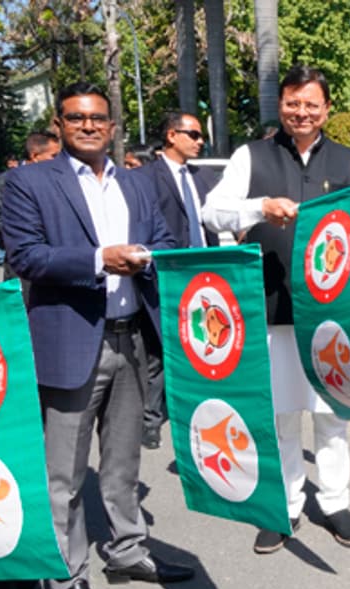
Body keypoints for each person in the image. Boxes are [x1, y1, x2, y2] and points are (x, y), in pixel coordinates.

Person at [0, 82, 194, 589]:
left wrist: (148, 260)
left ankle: (129, 550)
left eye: (98, 118)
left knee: (124, 459)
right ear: (59, 124)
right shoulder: (29, 182)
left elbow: (164, 243)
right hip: (69, 339)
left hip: (132, 336)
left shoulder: (134, 183)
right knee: (62, 470)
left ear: (112, 126)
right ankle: (66, 577)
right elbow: (27, 256)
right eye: (76, 118)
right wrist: (98, 259)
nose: (88, 126)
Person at [201, 65, 350, 554]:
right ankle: (286, 507)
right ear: (281, 106)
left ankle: (334, 502)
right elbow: (211, 211)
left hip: (334, 314)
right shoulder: (252, 157)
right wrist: (258, 208)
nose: (302, 112)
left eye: (311, 103)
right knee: (284, 416)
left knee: (333, 415)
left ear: (326, 108)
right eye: (293, 103)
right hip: (271, 308)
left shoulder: (349, 162)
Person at [136, 112, 220, 450]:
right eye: (194, 135)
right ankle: (151, 421)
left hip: (205, 275)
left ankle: (198, 414)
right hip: (165, 274)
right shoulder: (145, 178)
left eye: (201, 137)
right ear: (172, 135)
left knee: (202, 345)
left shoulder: (205, 177)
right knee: (159, 349)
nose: (200, 142)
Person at [0, 131, 61, 282]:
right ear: (35, 156)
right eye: (54, 156)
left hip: (57, 263)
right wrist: (22, 232)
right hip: (22, 264)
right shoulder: (5, 183)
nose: (59, 161)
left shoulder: (61, 181)